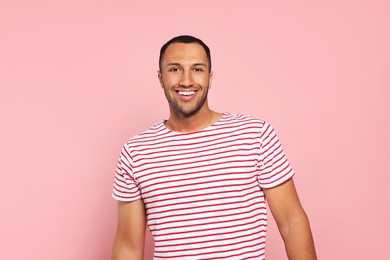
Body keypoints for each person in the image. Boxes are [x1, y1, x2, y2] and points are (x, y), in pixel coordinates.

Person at [111, 35, 317, 260]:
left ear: (210, 76)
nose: (186, 81)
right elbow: (128, 247)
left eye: (197, 69)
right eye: (174, 69)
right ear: (160, 78)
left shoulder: (255, 135)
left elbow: (291, 222)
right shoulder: (136, 152)